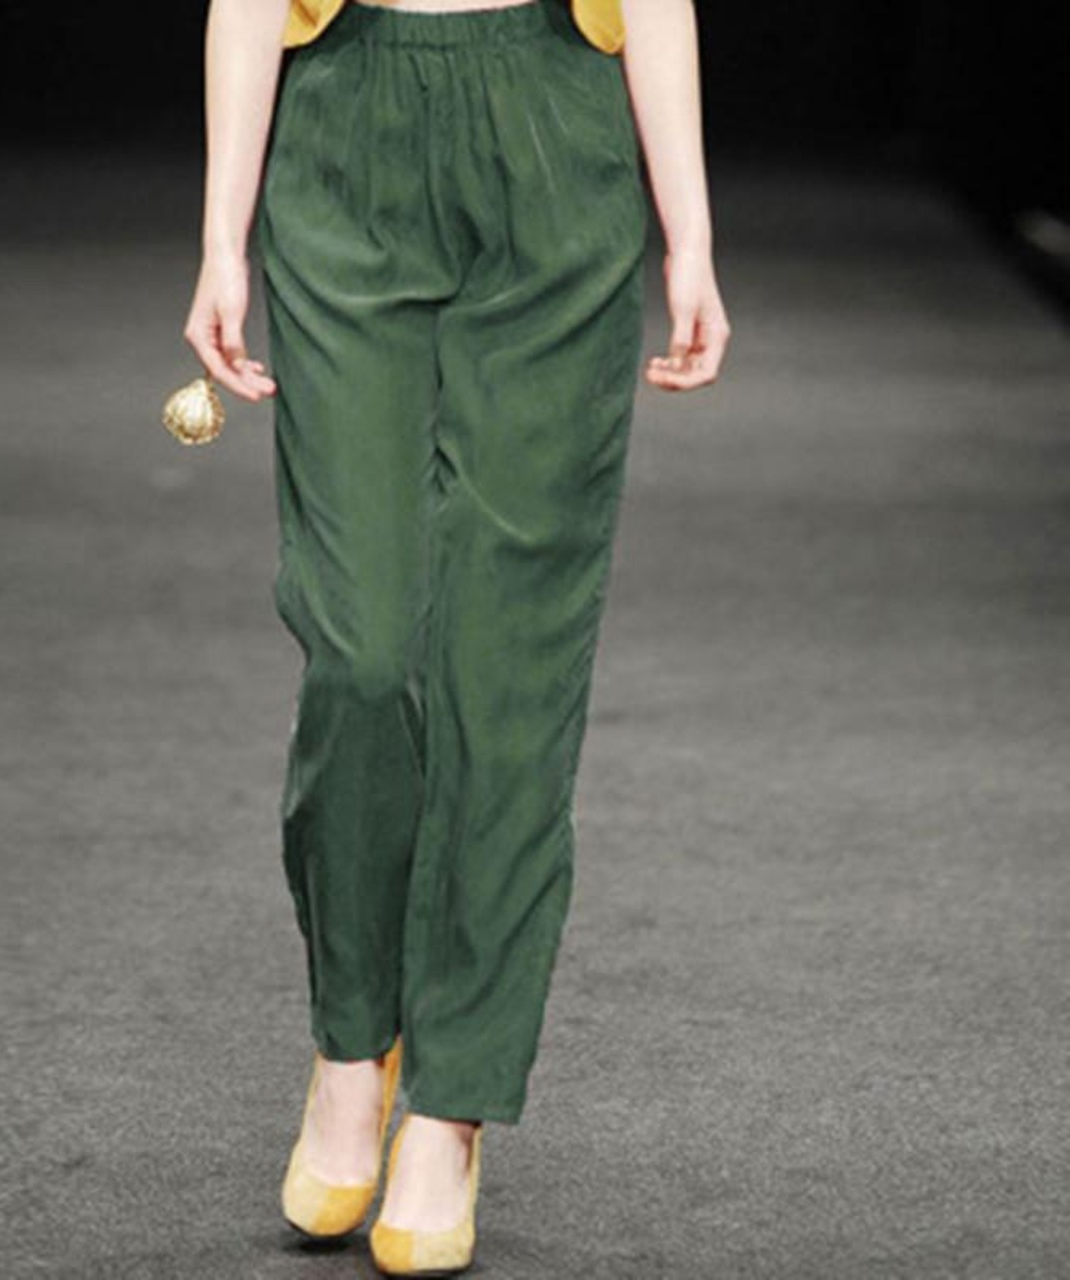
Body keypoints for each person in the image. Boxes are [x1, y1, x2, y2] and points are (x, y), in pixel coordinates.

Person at [183, 0, 730, 1272]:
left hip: (553, 131)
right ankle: (352, 1036)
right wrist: (220, 237)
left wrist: (690, 235)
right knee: (360, 646)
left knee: (507, 666)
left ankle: (449, 1103)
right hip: (347, 132)